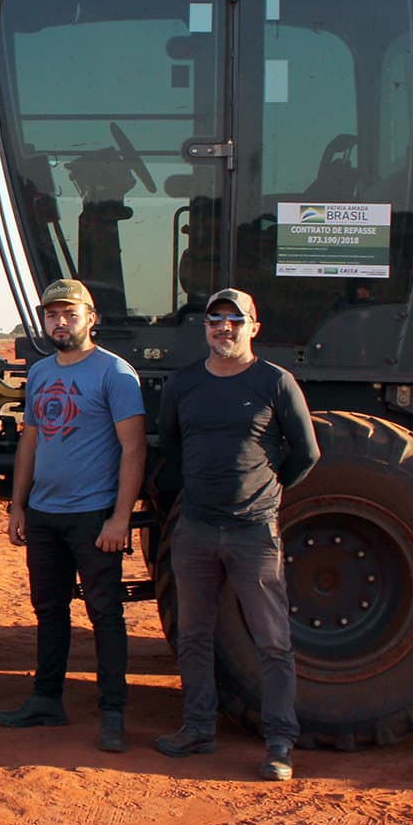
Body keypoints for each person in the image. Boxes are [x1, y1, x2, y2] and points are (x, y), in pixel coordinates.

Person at [155, 288, 319, 781]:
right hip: (197, 530)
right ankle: (198, 727)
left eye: (234, 319)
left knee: (271, 640)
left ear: (254, 327)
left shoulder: (275, 382)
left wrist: (269, 496)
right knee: (194, 634)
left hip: (254, 533)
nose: (224, 328)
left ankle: (279, 744)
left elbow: (306, 452)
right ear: (205, 327)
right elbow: (174, 447)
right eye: (215, 319)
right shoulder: (183, 385)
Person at [1, 278, 147, 752]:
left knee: (104, 611)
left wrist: (120, 517)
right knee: (49, 609)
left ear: (91, 317)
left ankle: (113, 710)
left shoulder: (115, 374)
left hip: (93, 515)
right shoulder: (41, 373)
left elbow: (133, 448)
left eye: (69, 314)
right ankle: (46, 698)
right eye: (52, 315)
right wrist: (18, 505)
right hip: (44, 513)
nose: (60, 323)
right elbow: (30, 440)